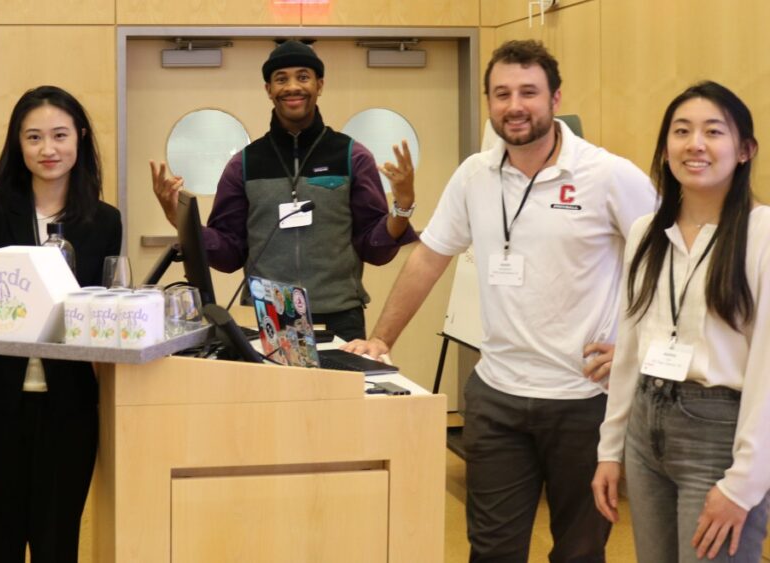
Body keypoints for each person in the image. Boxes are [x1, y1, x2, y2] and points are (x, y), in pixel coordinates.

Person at [343, 40, 657, 561]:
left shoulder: (608, 175)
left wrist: (634, 349)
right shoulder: (474, 175)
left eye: (529, 92)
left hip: (585, 402)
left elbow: (666, 264)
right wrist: (381, 338)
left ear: (556, 98)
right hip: (496, 398)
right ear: (489, 102)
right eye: (502, 93)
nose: (515, 105)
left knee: (579, 552)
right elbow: (428, 258)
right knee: (491, 551)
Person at [592, 81, 769, 562]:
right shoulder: (646, 232)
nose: (695, 144)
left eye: (714, 132)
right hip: (647, 426)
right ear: (666, 147)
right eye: (681, 131)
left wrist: (743, 484)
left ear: (745, 149)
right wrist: (611, 449)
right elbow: (629, 347)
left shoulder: (761, 234)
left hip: (719, 433)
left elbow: (767, 374)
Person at [0, 85, 122, 563]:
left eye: (60, 135)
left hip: (68, 404)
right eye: (34, 137)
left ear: (80, 139)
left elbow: (99, 308)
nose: (48, 149)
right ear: (17, 144)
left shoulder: (104, 221)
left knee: (56, 539)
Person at [150, 39, 419, 341]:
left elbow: (376, 249)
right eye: (281, 79)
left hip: (340, 319)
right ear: (268, 90)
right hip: (267, 317)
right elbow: (228, 254)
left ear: (320, 84)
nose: (292, 87)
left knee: (338, 392)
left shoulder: (352, 156)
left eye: (303, 77)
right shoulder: (244, 165)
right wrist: (179, 220)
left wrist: (403, 205)